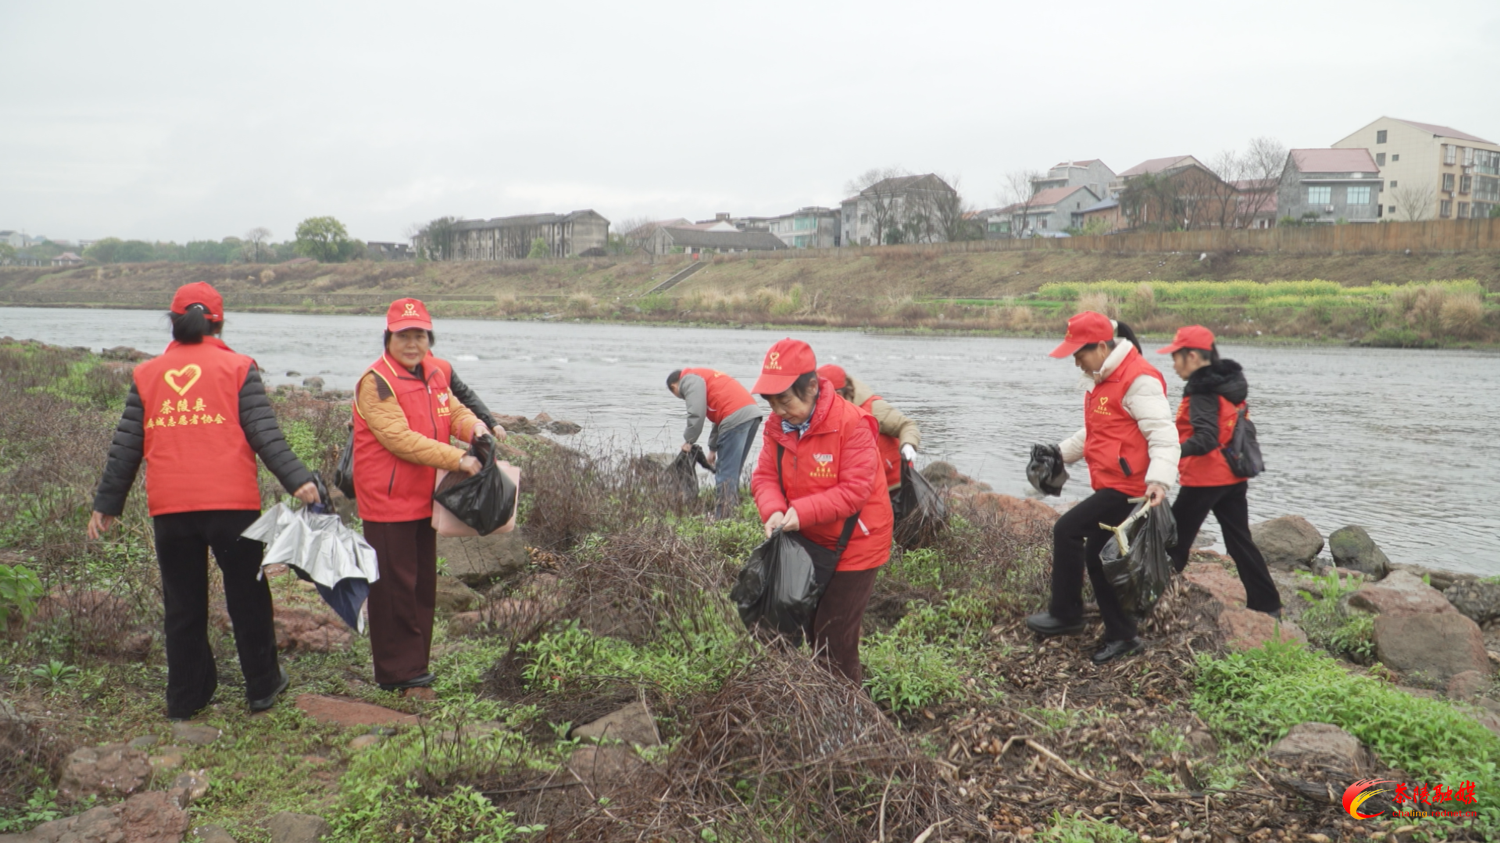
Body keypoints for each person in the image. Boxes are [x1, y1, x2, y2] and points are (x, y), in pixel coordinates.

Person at [88, 282, 319, 720]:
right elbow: (264, 434)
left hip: (171, 509)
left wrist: (107, 504)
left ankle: (186, 697)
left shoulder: (147, 373)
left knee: (183, 603)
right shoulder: (238, 367)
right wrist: (298, 481)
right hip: (231, 506)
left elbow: (125, 447)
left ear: (174, 322)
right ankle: (263, 687)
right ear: (220, 320)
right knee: (247, 595)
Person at [352, 298, 494, 694]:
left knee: (420, 585)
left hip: (424, 497)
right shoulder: (375, 381)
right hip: (387, 500)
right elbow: (399, 439)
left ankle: (416, 664)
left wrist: (475, 429)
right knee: (393, 587)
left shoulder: (434, 374)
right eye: (404, 335)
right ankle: (397, 672)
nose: (412, 344)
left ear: (429, 338)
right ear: (388, 337)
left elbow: (455, 412)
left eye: (419, 335)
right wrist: (458, 458)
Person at [1026, 311, 1179, 665]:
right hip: (1111, 484)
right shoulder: (1102, 380)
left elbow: (1163, 433)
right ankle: (1123, 636)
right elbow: (1098, 435)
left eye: (1078, 352)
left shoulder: (1138, 379)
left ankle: (1066, 615)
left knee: (1066, 530)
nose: (1075, 360)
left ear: (1099, 346)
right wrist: (1058, 453)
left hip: (1129, 489)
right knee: (1098, 559)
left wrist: (1159, 481)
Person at [750, 339, 894, 683]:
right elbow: (765, 475)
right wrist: (772, 510)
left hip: (857, 545)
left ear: (812, 387)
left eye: (784, 400)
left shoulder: (852, 424)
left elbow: (854, 491)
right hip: (807, 541)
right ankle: (823, 701)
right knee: (807, 627)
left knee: (834, 638)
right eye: (771, 402)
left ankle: (849, 719)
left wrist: (799, 512)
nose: (779, 410)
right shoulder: (776, 427)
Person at [1157, 326, 1281, 617]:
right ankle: (1268, 605)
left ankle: (1149, 596)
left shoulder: (1202, 391)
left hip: (1205, 478)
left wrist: (1169, 452)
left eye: (1175, 357)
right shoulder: (1230, 385)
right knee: (1240, 541)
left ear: (1192, 356)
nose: (1173, 364)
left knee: (1174, 542)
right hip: (1233, 476)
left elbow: (1206, 438)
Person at [817, 365, 921, 510]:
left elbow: (907, 425)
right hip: (862, 484)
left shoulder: (874, 408)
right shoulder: (822, 414)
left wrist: (908, 445)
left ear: (839, 393)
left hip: (894, 484)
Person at [666, 367, 763, 518]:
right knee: (733, 472)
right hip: (751, 414)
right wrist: (712, 449)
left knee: (725, 473)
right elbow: (719, 415)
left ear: (674, 387)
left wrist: (689, 441)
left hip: (735, 417)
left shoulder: (689, 379)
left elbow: (697, 412)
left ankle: (723, 519)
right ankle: (733, 514)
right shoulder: (706, 377)